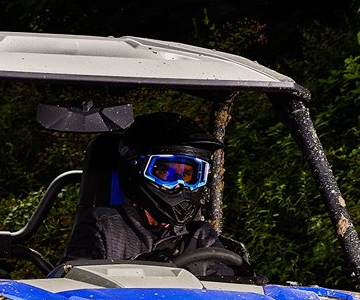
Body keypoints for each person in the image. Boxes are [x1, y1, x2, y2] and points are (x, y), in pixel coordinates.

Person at [63, 112, 238, 268]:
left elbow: (226, 296)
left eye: (187, 175)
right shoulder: (104, 227)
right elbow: (77, 289)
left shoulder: (200, 236)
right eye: (166, 172)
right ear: (136, 168)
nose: (179, 184)